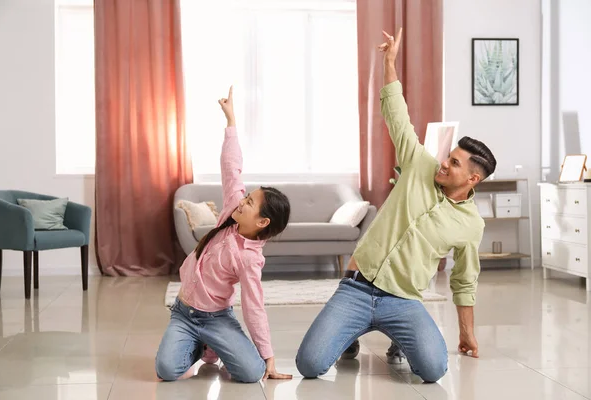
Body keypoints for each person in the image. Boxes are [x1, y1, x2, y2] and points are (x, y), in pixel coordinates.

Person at [295, 27, 497, 383]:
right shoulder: (419, 163)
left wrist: (466, 333)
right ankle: (350, 333)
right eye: (448, 157)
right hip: (357, 286)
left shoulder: (471, 225)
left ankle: (398, 335)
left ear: (472, 180)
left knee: (434, 370)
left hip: (403, 299)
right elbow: (397, 114)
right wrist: (389, 62)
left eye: (454, 164)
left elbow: (465, 281)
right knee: (309, 365)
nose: (443, 164)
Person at [155, 86, 293, 384]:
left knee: (252, 372)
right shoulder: (232, 210)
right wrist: (231, 122)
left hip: (217, 318)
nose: (242, 201)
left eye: (250, 203)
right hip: (184, 312)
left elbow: (254, 306)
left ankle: (216, 342)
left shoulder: (249, 258)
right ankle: (200, 347)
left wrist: (267, 355)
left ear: (262, 221)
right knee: (166, 370)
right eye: (247, 197)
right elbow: (232, 169)